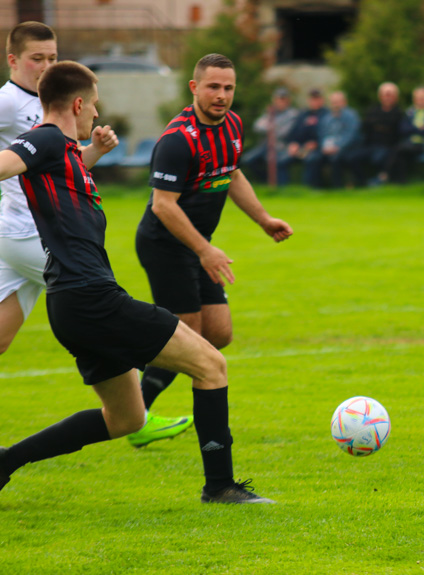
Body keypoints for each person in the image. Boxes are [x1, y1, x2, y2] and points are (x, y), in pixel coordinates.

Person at [0, 60, 274, 503]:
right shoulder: (46, 138)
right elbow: (11, 160)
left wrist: (94, 152)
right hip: (92, 298)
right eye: (93, 104)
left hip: (71, 305)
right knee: (211, 366)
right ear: (76, 103)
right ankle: (220, 486)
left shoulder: (66, 152)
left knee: (127, 419)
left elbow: (52, 175)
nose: (96, 112)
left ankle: (4, 462)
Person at [132, 54, 293, 451]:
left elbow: (232, 174)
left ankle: (136, 373)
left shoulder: (233, 125)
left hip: (199, 249)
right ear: (194, 88)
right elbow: (163, 206)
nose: (221, 96)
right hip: (166, 246)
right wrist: (205, 250)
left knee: (218, 333)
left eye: (228, 88)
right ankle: (136, 415)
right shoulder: (177, 140)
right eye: (213, 87)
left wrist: (263, 219)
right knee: (186, 337)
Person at [0, 22, 124, 354]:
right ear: (13, 60)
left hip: (23, 233)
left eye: (52, 58)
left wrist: (95, 151)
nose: (46, 67)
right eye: (36, 58)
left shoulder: (50, 106)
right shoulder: (9, 102)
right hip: (30, 234)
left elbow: (59, 168)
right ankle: (135, 407)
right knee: (108, 311)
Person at [346, 82, 402, 186]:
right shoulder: (372, 111)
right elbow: (365, 129)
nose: (387, 97)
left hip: (388, 147)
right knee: (352, 157)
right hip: (371, 146)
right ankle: (362, 183)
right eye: (385, 94)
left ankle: (380, 181)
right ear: (380, 96)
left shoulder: (399, 113)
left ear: (395, 97)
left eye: (390, 94)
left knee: (379, 158)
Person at [241, 87, 299, 185]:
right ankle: (264, 182)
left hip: (281, 146)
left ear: (288, 101)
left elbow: (284, 132)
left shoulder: (293, 114)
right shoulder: (270, 112)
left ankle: (282, 187)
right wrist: (271, 127)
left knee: (276, 161)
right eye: (278, 99)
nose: (281, 102)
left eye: (283, 99)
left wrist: (270, 127)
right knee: (247, 160)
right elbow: (257, 126)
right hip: (265, 145)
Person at [305, 90, 360, 189]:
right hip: (327, 149)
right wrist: (324, 147)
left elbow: (351, 135)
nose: (335, 105)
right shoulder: (327, 118)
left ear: (344, 102)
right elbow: (321, 135)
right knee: (314, 158)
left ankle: (337, 188)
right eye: (333, 102)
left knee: (336, 159)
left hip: (346, 149)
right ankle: (315, 189)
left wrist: (338, 147)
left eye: (338, 102)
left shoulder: (351, 116)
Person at [390, 86, 424, 184]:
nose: (420, 101)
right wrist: (419, 128)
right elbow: (403, 129)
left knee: (398, 150)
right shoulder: (410, 112)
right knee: (400, 153)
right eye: (418, 98)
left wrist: (413, 128)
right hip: (410, 144)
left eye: (423, 98)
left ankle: (387, 176)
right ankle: (400, 181)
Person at [283, 88, 328, 187]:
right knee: (281, 160)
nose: (314, 101)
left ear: (322, 100)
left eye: (317, 99)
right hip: (301, 148)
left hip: (318, 148)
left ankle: (309, 188)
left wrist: (316, 144)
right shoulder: (303, 114)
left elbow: (327, 133)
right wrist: (293, 143)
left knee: (311, 159)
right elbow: (293, 132)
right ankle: (283, 188)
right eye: (312, 99)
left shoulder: (326, 114)